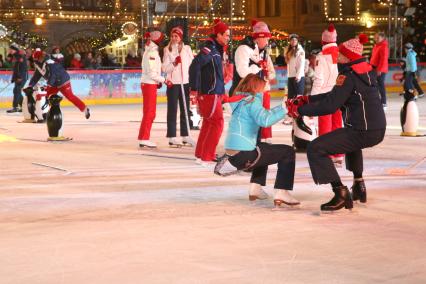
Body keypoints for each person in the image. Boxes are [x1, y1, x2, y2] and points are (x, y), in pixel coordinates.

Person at [286, 34, 386, 212]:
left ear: (348, 57)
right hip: (377, 130)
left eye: (340, 55)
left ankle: (340, 192)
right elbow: (334, 95)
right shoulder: (366, 72)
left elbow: (331, 105)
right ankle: (359, 184)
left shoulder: (348, 76)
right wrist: (307, 100)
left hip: (362, 131)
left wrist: (300, 111)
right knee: (352, 140)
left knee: (315, 148)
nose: (337, 57)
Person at [224, 74, 299, 206]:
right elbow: (265, 120)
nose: (265, 91)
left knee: (264, 149)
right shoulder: (252, 101)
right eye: (263, 88)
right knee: (288, 152)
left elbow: (264, 114)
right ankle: (282, 191)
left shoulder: (242, 101)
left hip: (233, 154)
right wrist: (286, 109)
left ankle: (256, 187)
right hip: (244, 154)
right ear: (256, 88)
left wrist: (283, 108)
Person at [189, 19, 230, 163]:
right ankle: (207, 155)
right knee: (217, 123)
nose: (227, 38)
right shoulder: (210, 50)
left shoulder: (216, 50)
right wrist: (194, 88)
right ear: (218, 35)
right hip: (210, 93)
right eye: (225, 35)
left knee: (209, 122)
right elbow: (195, 65)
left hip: (213, 92)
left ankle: (201, 153)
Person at [229, 19, 276, 143]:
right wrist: (258, 67)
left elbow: (272, 73)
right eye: (266, 38)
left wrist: (266, 72)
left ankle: (256, 147)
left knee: (257, 124)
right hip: (243, 93)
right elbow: (243, 72)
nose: (267, 41)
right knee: (246, 124)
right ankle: (243, 149)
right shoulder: (243, 49)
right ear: (259, 38)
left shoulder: (263, 52)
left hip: (256, 92)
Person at [311, 24, 343, 166]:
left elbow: (319, 80)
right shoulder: (342, 54)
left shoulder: (321, 56)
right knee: (337, 125)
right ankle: (338, 154)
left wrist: (312, 100)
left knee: (325, 127)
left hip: (325, 95)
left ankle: (325, 155)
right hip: (339, 94)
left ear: (323, 40)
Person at [26, 49, 90, 119]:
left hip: (63, 81)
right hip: (54, 83)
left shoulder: (50, 63)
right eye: (34, 60)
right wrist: (30, 85)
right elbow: (36, 76)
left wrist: (49, 86)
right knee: (46, 96)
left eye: (36, 59)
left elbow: (53, 75)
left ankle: (85, 109)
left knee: (70, 96)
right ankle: (46, 112)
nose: (35, 61)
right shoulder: (38, 64)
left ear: (41, 58)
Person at [162, 26, 196, 147]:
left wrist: (192, 80)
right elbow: (164, 68)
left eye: (176, 36)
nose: (174, 38)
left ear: (180, 37)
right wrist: (174, 63)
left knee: (185, 110)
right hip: (173, 84)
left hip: (185, 83)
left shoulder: (187, 49)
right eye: (172, 36)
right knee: (172, 110)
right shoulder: (167, 49)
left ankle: (186, 135)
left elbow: (192, 65)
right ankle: (172, 136)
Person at [138, 30, 165, 148]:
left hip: (150, 84)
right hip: (149, 84)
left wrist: (158, 81)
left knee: (150, 112)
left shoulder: (151, 51)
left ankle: (143, 137)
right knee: (150, 112)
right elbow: (152, 74)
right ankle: (144, 138)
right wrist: (164, 80)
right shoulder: (152, 53)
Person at [283, 34, 305, 124]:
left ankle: (299, 116)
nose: (293, 42)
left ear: (297, 41)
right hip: (291, 77)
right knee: (290, 97)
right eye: (292, 40)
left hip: (298, 77)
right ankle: (291, 116)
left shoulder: (300, 51)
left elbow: (301, 64)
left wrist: (298, 76)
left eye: (295, 40)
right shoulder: (289, 50)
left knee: (298, 98)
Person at [370, 32, 389, 108]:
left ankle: (384, 102)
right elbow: (374, 57)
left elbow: (383, 59)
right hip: (374, 68)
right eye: (375, 37)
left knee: (380, 85)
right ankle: (377, 100)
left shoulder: (384, 46)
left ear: (383, 38)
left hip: (380, 69)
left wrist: (379, 69)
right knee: (374, 84)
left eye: (378, 38)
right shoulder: (376, 46)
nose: (376, 39)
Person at [7, 44, 28, 113]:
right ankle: (23, 106)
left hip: (22, 76)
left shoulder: (20, 55)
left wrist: (20, 77)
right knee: (16, 91)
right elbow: (14, 67)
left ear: (15, 50)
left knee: (17, 91)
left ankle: (15, 107)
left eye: (11, 49)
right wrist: (14, 78)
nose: (9, 51)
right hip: (18, 76)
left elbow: (23, 67)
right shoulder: (15, 56)